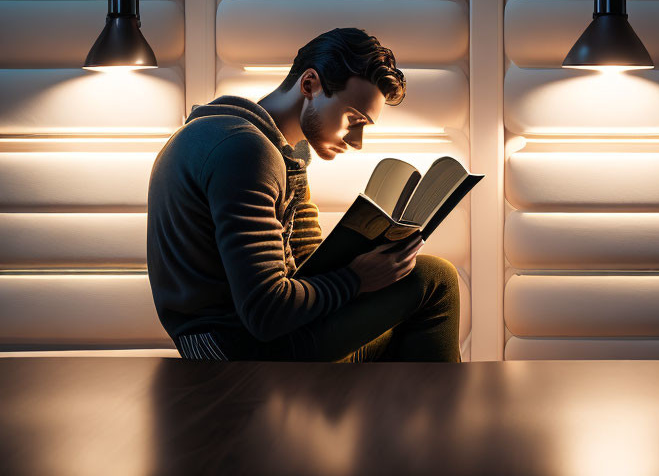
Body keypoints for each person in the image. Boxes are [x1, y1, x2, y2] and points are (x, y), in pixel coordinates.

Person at [146, 28, 461, 362]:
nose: (356, 141)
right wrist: (357, 278)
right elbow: (265, 312)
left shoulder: (259, 144)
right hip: (232, 351)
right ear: (310, 85)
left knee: (405, 315)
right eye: (353, 119)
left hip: (240, 338)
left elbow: (307, 264)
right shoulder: (245, 151)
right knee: (435, 278)